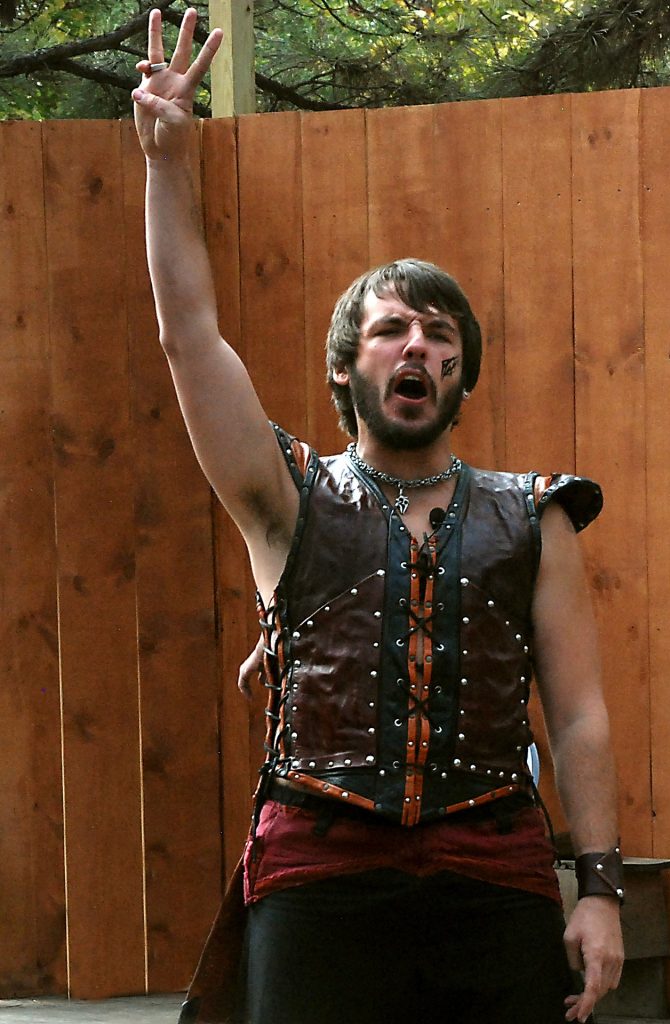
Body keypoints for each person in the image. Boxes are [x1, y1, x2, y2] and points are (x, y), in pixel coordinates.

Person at [132, 9, 624, 1024]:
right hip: (319, 868)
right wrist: (166, 163)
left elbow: (577, 713)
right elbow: (189, 336)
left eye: (441, 337)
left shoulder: (534, 515)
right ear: (347, 368)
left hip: (494, 870)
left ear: (461, 375)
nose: (417, 348)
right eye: (391, 329)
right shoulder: (287, 499)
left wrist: (601, 890)